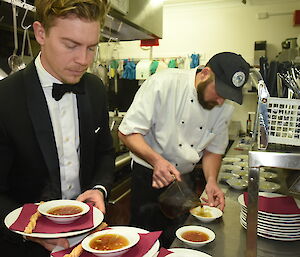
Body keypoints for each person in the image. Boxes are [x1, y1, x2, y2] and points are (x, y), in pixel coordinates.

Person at [0, 0, 115, 256]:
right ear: (41, 33)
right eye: (71, 45)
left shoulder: (95, 89)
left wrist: (99, 189)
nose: (83, 60)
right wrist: (30, 231)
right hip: (24, 246)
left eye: (91, 48)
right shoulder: (5, 98)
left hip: (86, 237)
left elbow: (105, 153)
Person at [118, 52, 250, 246]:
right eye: (219, 92)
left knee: (179, 240)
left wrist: (211, 181)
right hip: (148, 177)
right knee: (144, 241)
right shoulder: (164, 83)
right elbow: (127, 132)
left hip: (183, 180)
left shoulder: (224, 106)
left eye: (227, 96)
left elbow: (214, 149)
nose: (221, 101)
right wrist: (156, 160)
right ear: (205, 73)